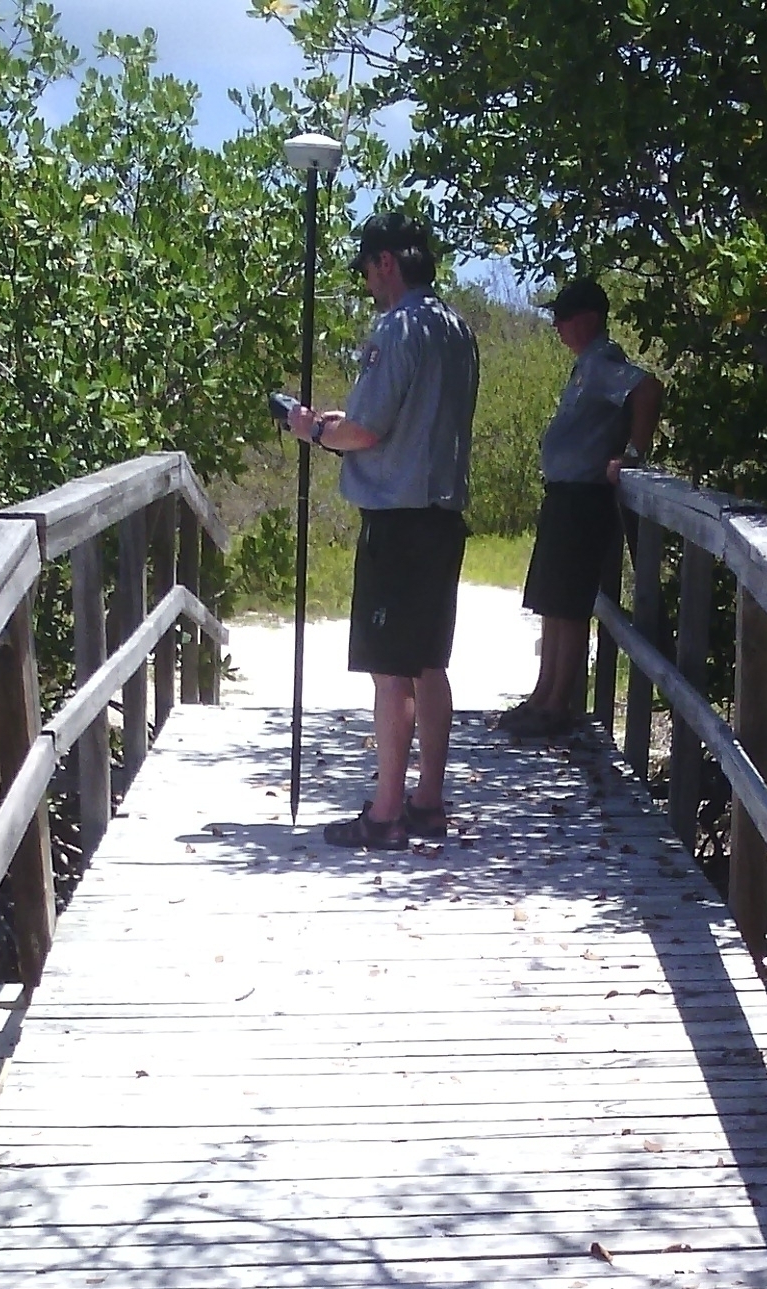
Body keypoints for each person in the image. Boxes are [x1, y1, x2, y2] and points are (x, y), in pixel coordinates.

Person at [284, 211, 480, 849]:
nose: (368, 284)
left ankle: (386, 813)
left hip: (397, 523)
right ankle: (427, 801)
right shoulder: (456, 329)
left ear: (386, 262)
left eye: (368, 271)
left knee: (391, 672)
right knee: (430, 663)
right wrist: (343, 422)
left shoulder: (396, 329)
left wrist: (314, 430)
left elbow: (366, 431)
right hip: (442, 517)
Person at [499, 277, 663, 738]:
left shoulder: (603, 361)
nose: (556, 325)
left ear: (588, 319)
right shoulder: (585, 366)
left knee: (569, 604)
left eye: (563, 317)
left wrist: (633, 454)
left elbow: (648, 389)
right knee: (551, 601)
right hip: (564, 495)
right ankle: (542, 695)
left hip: (584, 497)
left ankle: (557, 705)